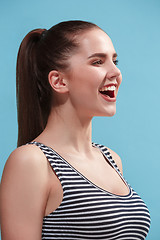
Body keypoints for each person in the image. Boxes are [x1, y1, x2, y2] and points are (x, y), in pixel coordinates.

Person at [0, 20, 150, 240]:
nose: (116, 72)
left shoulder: (111, 160)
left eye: (115, 61)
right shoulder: (31, 162)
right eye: (98, 62)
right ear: (59, 81)